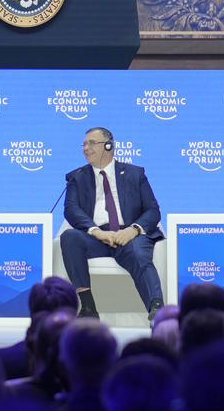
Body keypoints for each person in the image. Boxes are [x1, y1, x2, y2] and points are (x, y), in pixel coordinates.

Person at [59, 128, 164, 319]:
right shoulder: (77, 177)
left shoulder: (135, 174)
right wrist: (96, 232)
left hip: (129, 235)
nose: (86, 148)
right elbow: (71, 210)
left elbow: (153, 210)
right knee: (70, 237)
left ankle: (157, 309)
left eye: (92, 143)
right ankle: (88, 307)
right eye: (84, 144)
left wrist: (134, 230)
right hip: (96, 237)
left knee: (139, 253)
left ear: (108, 146)